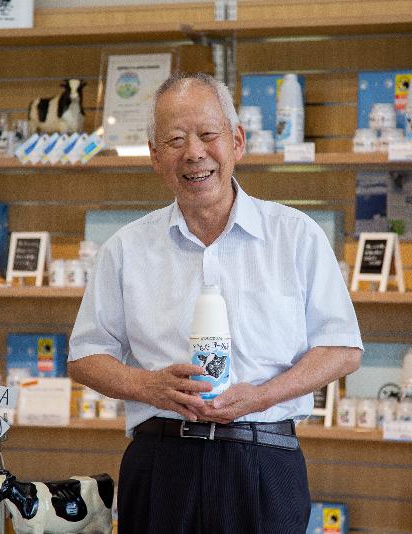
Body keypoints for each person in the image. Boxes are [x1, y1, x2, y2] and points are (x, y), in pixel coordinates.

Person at [68, 71, 363, 534]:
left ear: (237, 142)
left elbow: (342, 349)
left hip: (265, 460)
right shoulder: (126, 249)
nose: (194, 153)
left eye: (208, 134)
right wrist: (149, 386)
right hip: (162, 463)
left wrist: (262, 396)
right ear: (154, 156)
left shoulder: (295, 236)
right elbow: (86, 356)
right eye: (175, 140)